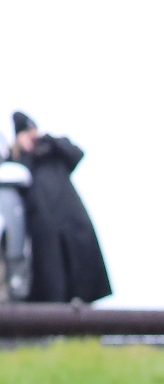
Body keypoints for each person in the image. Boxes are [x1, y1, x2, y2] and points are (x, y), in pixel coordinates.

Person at [9, 112, 110, 304]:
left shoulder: (52, 150)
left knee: (82, 274)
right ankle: (55, 324)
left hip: (71, 219)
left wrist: (49, 141)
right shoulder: (18, 160)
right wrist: (23, 151)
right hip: (42, 227)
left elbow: (77, 153)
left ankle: (83, 320)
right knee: (51, 279)